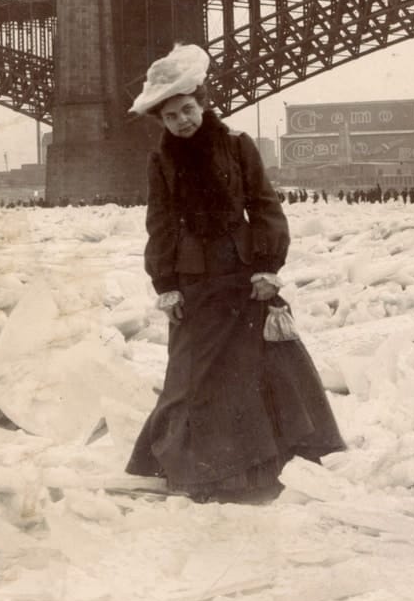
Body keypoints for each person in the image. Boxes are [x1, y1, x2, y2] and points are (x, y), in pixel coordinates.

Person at [124, 44, 345, 503]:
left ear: (203, 104)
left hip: (243, 275)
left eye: (188, 110)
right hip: (194, 281)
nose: (182, 121)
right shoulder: (160, 163)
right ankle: (195, 467)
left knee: (255, 368)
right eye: (171, 117)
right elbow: (160, 223)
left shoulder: (238, 147)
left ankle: (263, 468)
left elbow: (263, 205)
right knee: (190, 374)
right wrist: (165, 284)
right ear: (161, 121)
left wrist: (267, 266)